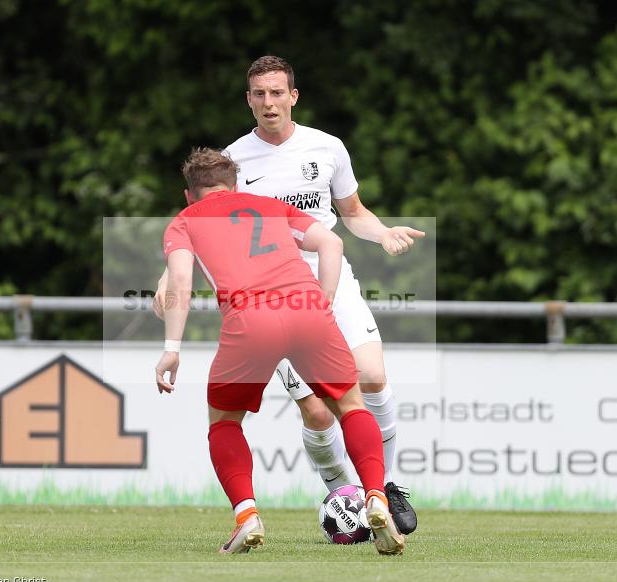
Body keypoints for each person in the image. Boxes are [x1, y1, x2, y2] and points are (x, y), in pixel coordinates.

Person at [156, 56, 423, 535]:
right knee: (319, 409)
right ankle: (344, 489)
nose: (268, 102)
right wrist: (167, 279)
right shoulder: (236, 159)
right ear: (249, 100)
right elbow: (207, 232)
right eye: (259, 94)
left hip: (328, 278)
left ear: (293, 96)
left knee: (373, 376)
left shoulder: (327, 147)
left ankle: (384, 485)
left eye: (277, 92)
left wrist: (380, 233)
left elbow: (352, 212)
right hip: (269, 290)